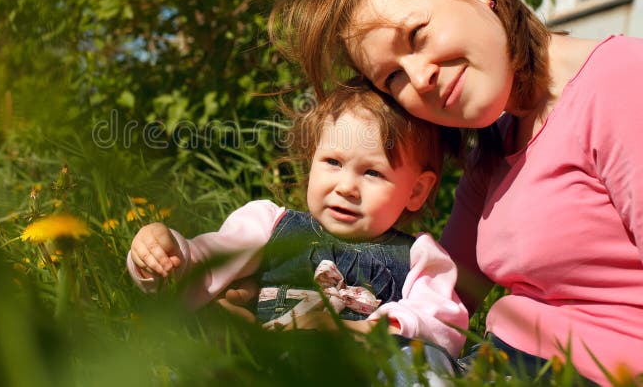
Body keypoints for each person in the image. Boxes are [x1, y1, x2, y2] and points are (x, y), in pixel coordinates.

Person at [268, 0, 643, 385]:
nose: (420, 77)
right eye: (393, 77)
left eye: (417, 35)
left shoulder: (621, 81)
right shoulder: (496, 145)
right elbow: (446, 294)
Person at [127, 78, 469, 363]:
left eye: (372, 172)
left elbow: (443, 323)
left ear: (416, 190)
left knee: (418, 361)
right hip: (273, 365)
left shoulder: (418, 256)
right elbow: (207, 262)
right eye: (333, 162)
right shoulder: (270, 225)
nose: (346, 187)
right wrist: (163, 251)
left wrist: (362, 330)